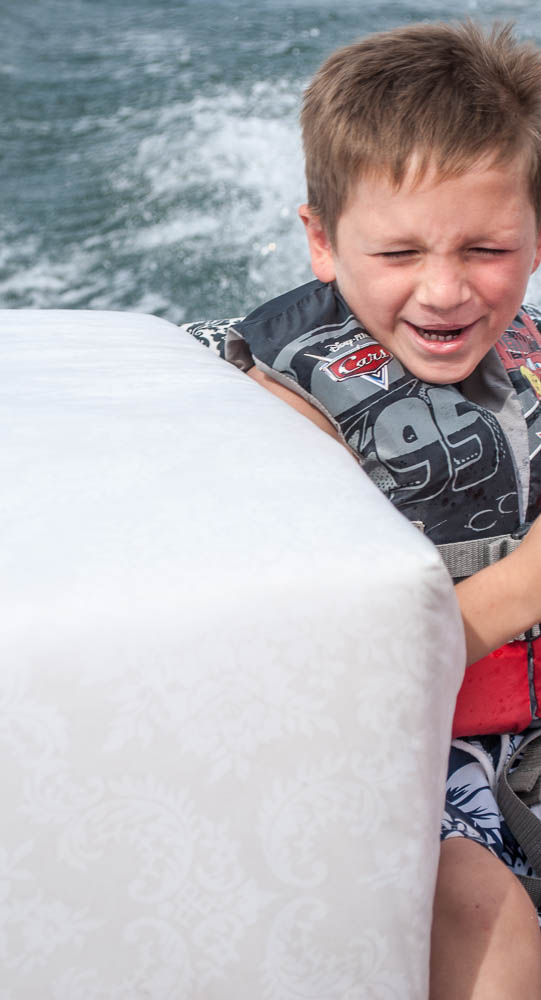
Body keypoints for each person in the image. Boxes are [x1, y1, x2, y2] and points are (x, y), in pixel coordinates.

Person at [186, 20, 541, 1000]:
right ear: (322, 242)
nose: (445, 289)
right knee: (481, 915)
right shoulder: (287, 407)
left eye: (487, 248)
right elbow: (336, 660)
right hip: (398, 755)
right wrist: (522, 587)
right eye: (398, 251)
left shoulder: (529, 356)